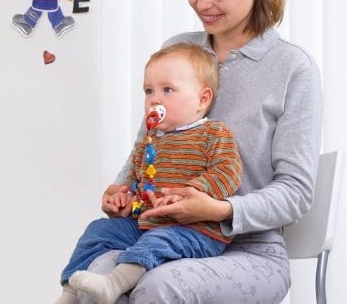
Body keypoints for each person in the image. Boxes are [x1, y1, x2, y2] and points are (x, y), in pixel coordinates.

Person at [73, 0, 323, 303]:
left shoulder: (291, 68)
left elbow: (295, 192)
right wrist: (122, 188)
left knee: (160, 285)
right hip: (156, 234)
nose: (201, 3)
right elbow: (149, 142)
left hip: (251, 250)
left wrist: (220, 208)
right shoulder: (181, 50)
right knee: (97, 271)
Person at [57, 43, 243, 304]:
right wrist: (123, 197)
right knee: (99, 230)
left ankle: (114, 283)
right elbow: (136, 179)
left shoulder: (213, 133)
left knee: (161, 239)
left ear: (202, 99)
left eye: (167, 90)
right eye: (149, 91)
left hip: (196, 231)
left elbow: (228, 172)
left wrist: (195, 190)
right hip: (145, 225)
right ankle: (69, 293)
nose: (155, 99)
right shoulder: (151, 140)